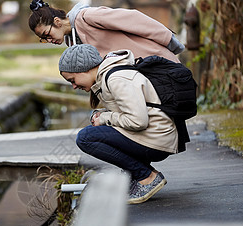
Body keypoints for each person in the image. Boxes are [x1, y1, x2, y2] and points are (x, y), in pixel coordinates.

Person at [58, 44, 183, 204]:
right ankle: (135, 175)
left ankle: (146, 176)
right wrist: (103, 115)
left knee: (86, 137)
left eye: (72, 80)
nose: (74, 86)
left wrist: (104, 118)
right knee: (95, 130)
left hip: (157, 138)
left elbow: (138, 121)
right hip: (153, 135)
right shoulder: (108, 77)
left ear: (84, 69)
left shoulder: (117, 78)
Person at [29, 0, 185, 63]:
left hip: (157, 63)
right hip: (139, 77)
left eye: (46, 35)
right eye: (43, 39)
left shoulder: (87, 17)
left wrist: (168, 40)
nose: (48, 40)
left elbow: (134, 19)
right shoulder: (72, 40)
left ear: (57, 22)